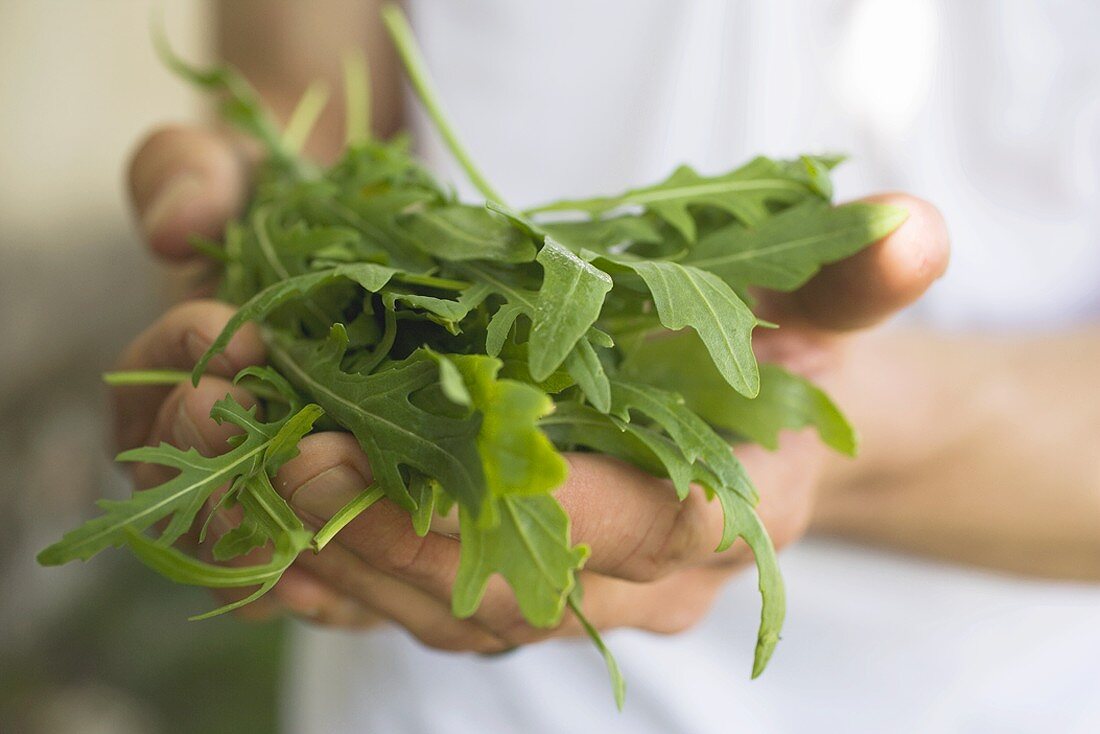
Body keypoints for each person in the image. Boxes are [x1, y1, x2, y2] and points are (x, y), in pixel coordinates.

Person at [120, 2, 1100, 732]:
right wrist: (253, 243)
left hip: (977, 692)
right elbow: (307, 101)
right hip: (436, 694)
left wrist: (824, 432)